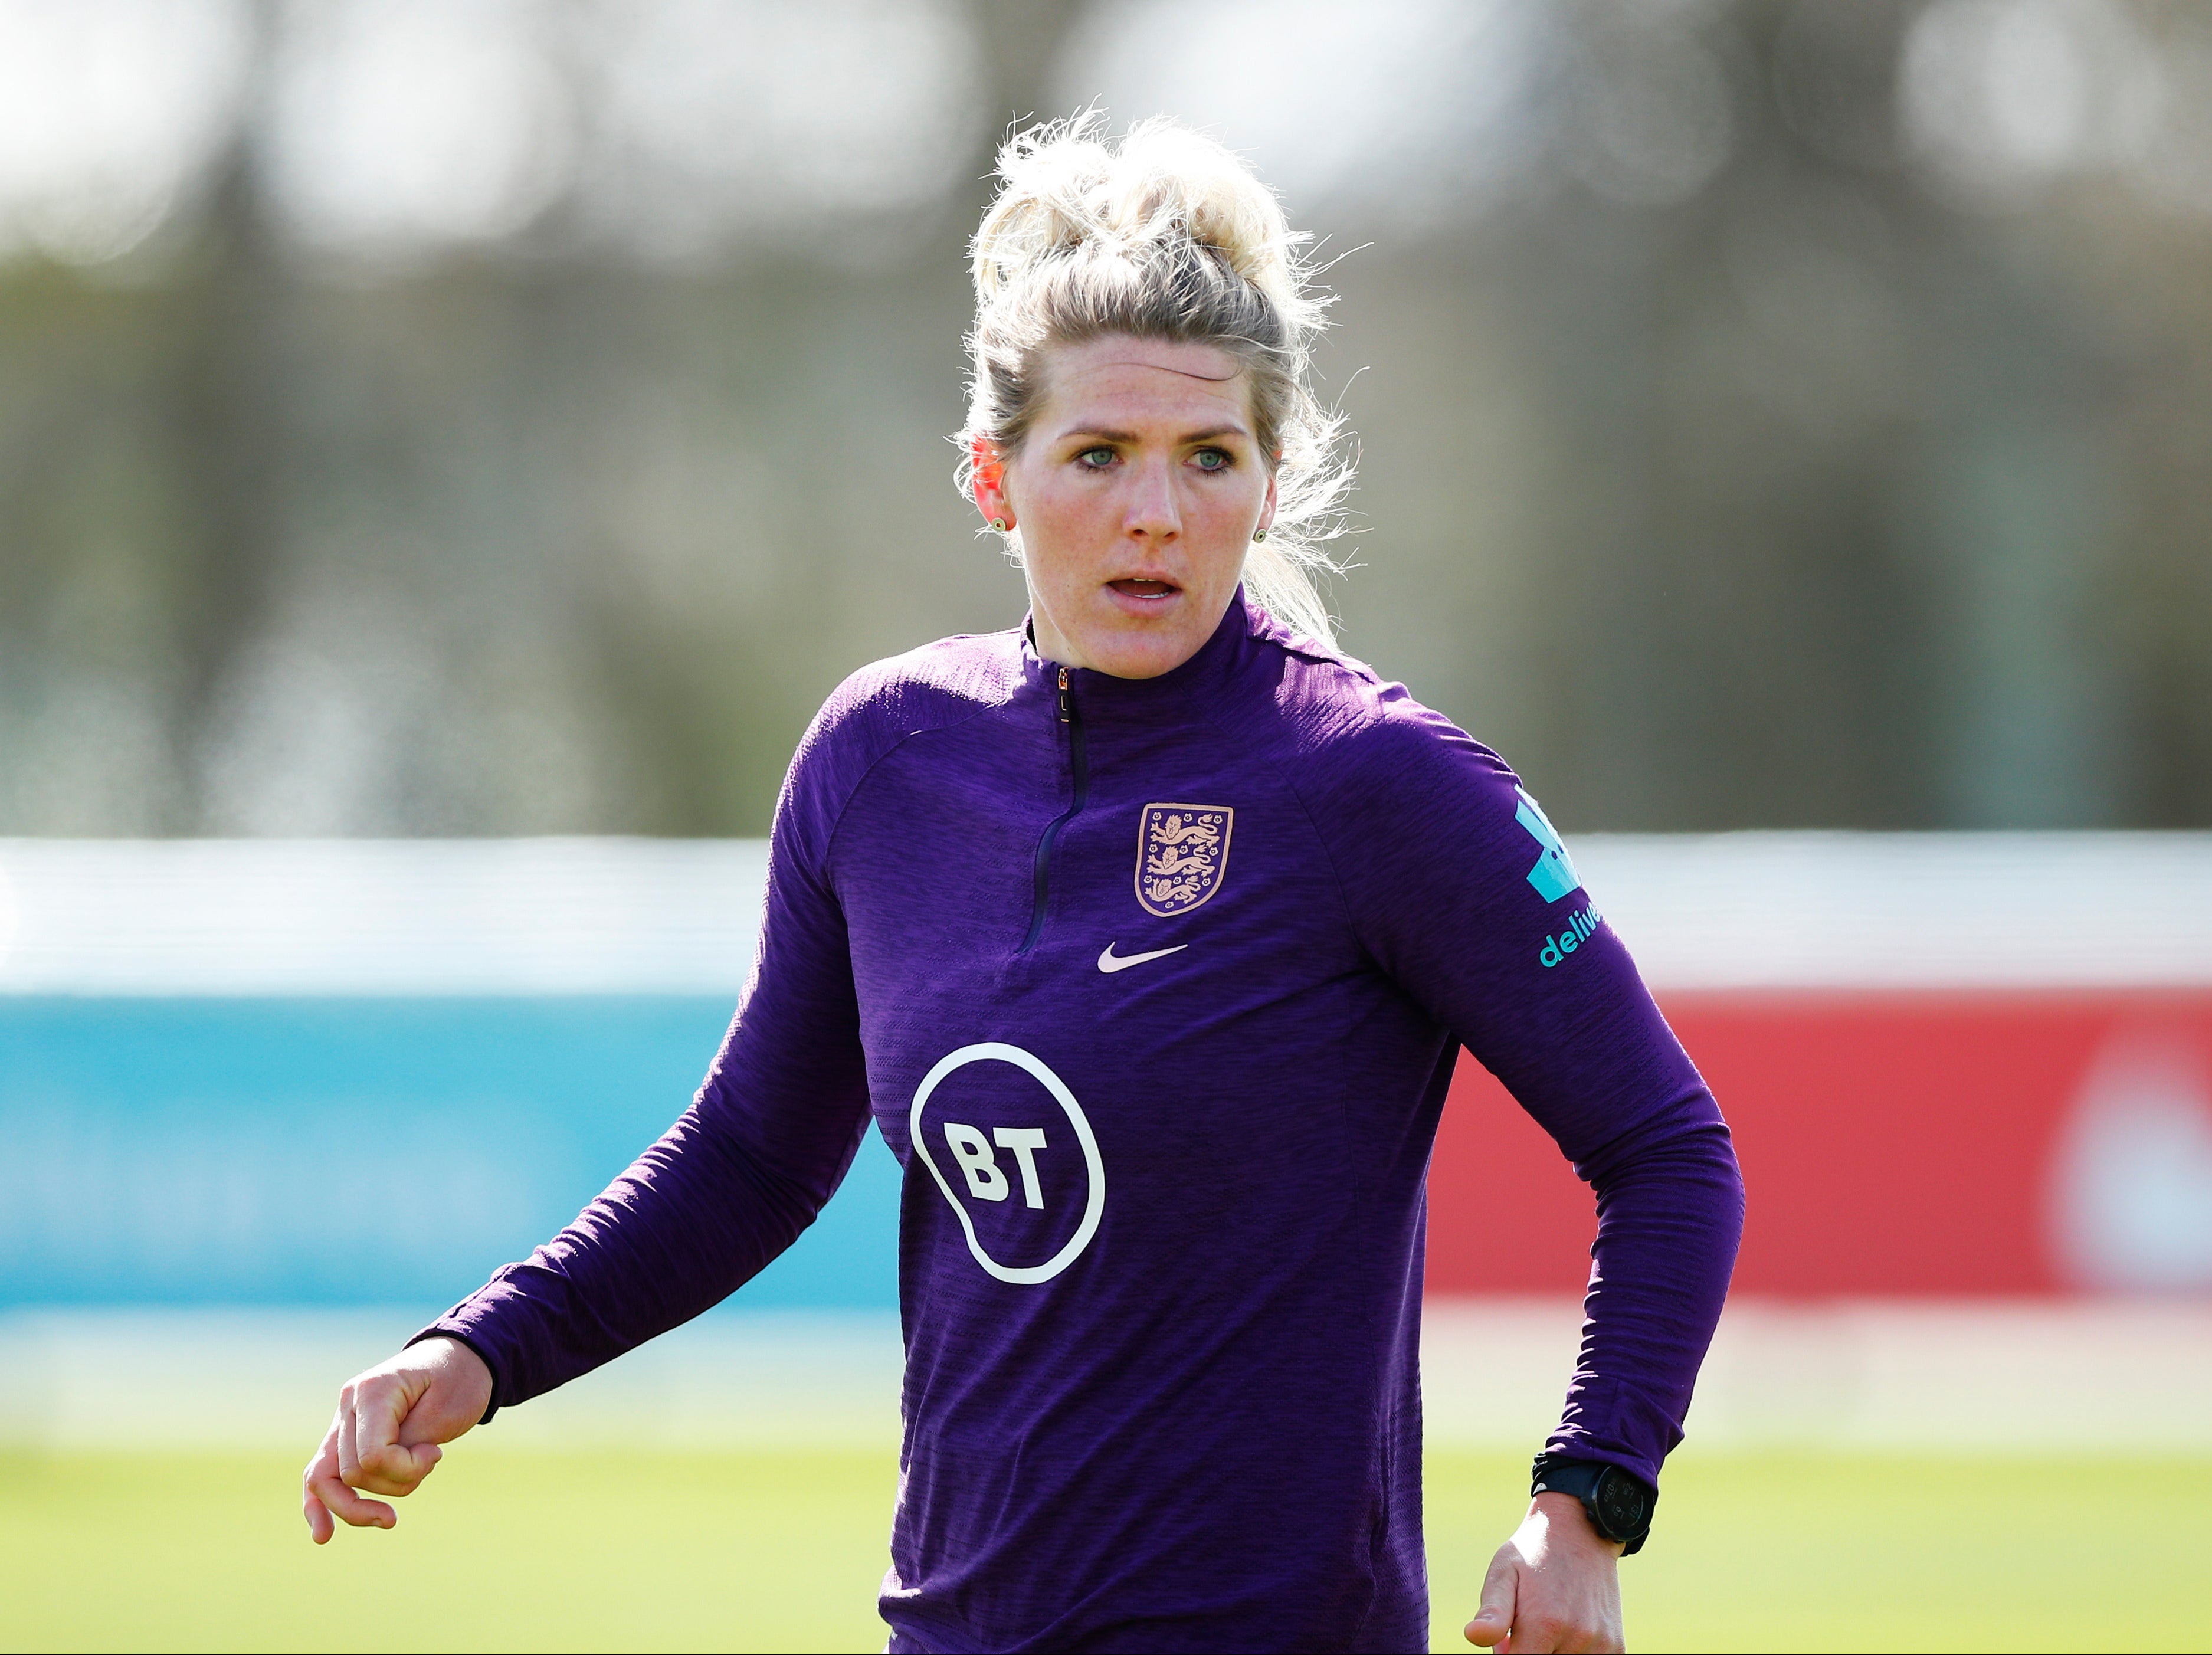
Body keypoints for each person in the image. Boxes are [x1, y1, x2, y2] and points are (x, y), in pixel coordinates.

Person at [302, 114, 1744, 1654]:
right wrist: (480, 1351)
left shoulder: (1375, 781)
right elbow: (749, 1160)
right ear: (995, 478)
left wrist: (1585, 1502)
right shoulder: (883, 758)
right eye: (1099, 456)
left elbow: (1667, 1151)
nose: (1156, 514)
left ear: (1269, 479)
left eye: (1210, 459)